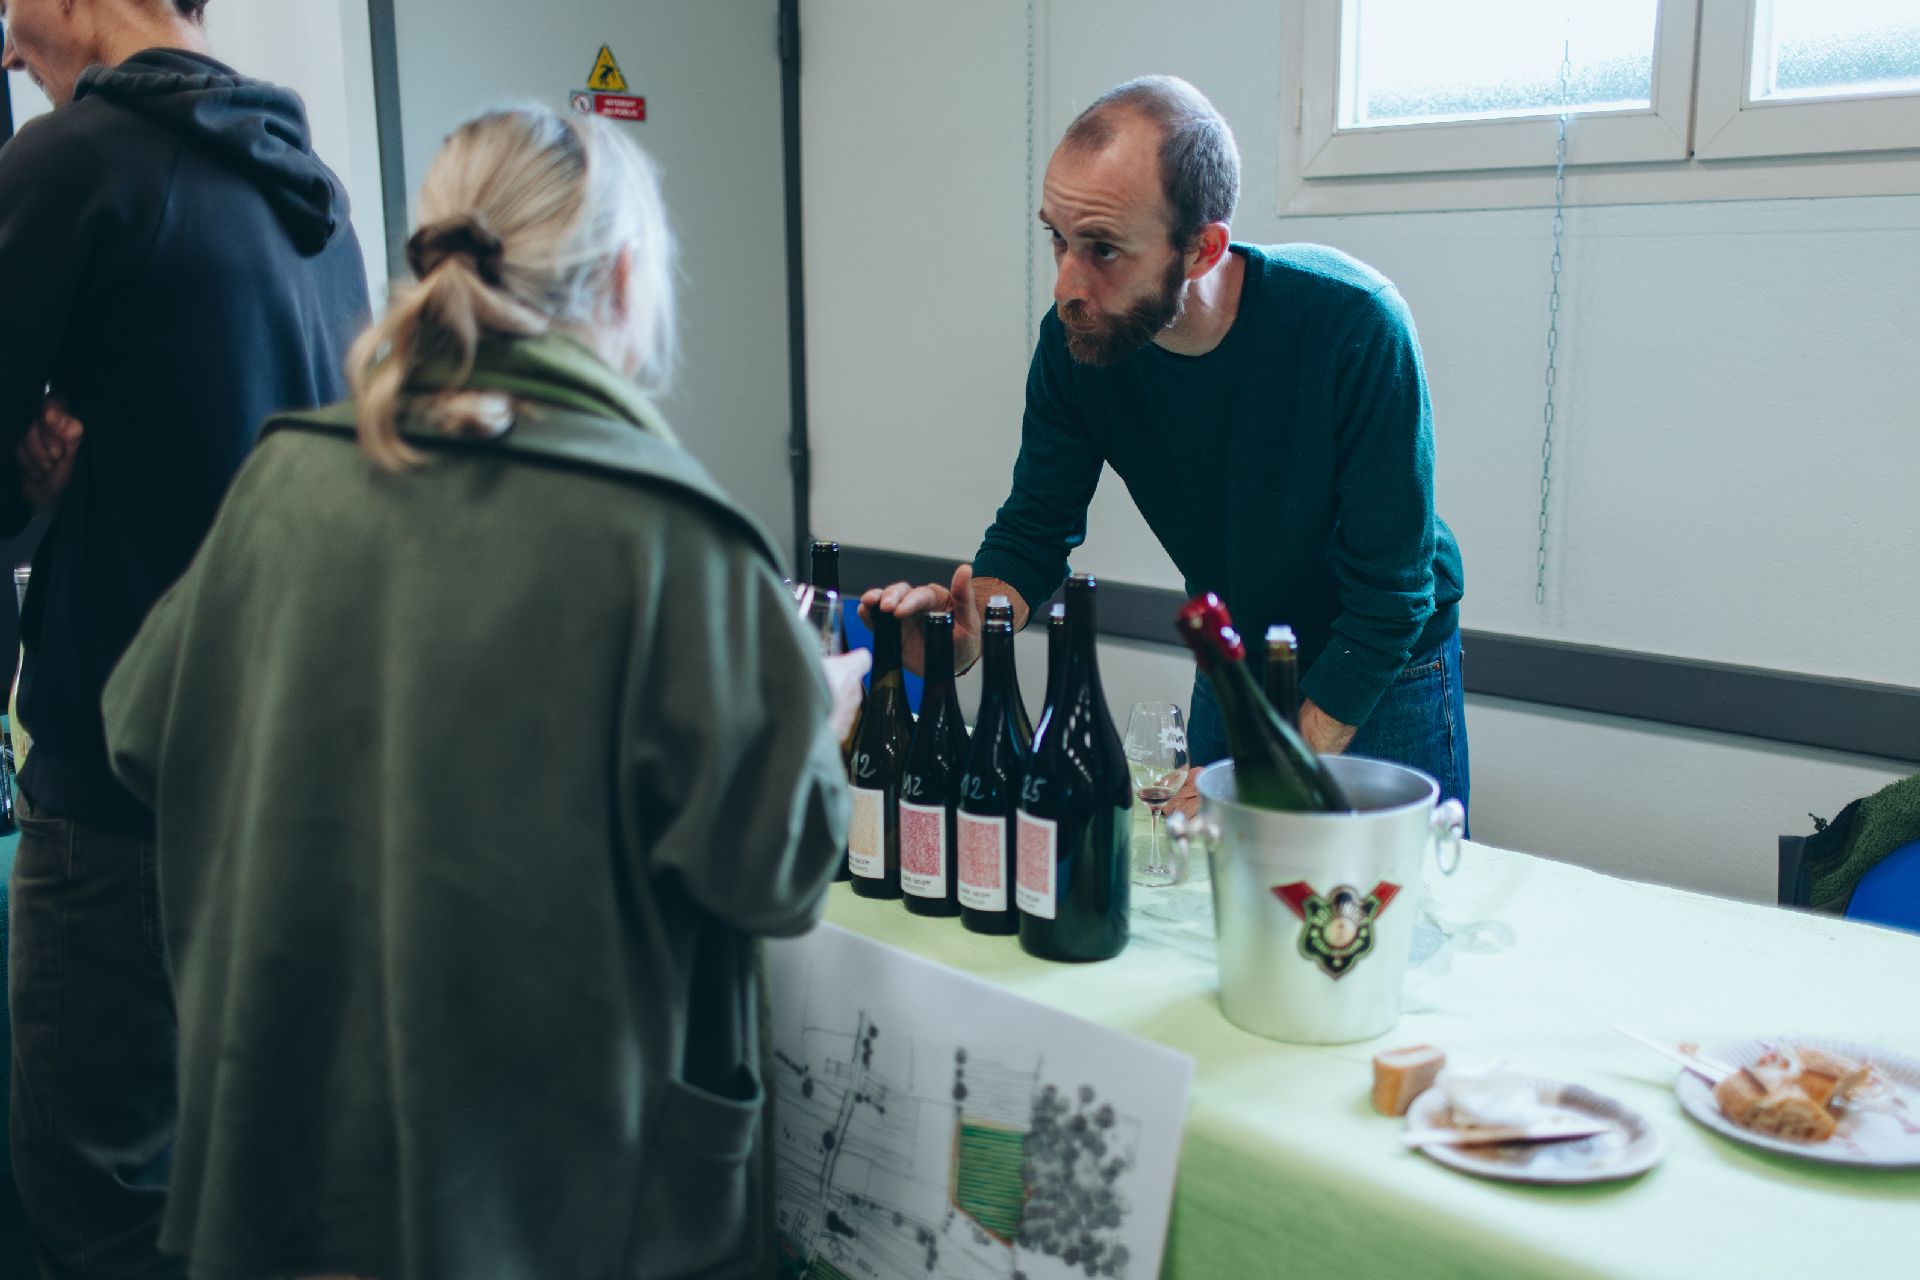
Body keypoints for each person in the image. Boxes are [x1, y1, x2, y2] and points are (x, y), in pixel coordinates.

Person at [100, 104, 865, 1280]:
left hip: (299, 1170)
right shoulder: (671, 533)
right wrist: (812, 713)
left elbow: (141, 731)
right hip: (562, 1201)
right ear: (621, 277)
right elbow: (778, 866)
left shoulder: (285, 480)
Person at [0, 2, 371, 1274]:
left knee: (93, 1202)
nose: (3, 45)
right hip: (293, 809)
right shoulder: (316, 198)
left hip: (119, 812)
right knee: (261, 1202)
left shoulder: (71, 165)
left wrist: (26, 486)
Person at [864, 76, 1468, 815]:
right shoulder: (1077, 341)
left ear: (1203, 249)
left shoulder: (1354, 323)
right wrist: (970, 630)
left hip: (1377, 670)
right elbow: (1033, 531)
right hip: (1235, 660)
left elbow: (1389, 598)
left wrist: (1262, 776)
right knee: (1207, 908)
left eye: (1105, 250)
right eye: (1057, 237)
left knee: (1379, 915)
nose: (1065, 285)